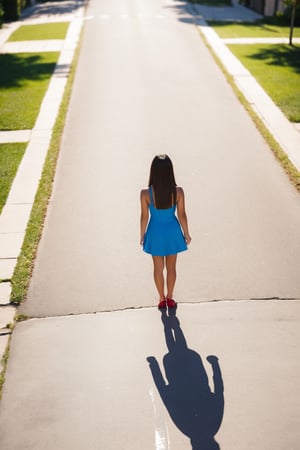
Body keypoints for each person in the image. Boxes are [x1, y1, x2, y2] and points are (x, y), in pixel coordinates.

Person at [140, 154, 191, 309]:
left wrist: (142, 235)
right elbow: (181, 215)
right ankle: (170, 298)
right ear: (170, 171)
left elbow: (144, 217)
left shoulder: (145, 194)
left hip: (155, 232)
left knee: (157, 268)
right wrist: (187, 233)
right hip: (172, 232)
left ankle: (161, 299)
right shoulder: (178, 192)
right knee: (171, 268)